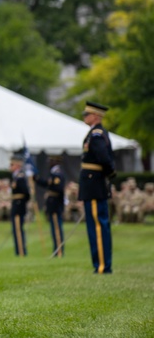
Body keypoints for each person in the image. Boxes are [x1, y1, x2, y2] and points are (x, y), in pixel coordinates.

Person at [79, 101, 115, 274]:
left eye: (87, 114)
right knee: (96, 226)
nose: (85, 117)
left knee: (98, 226)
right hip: (93, 184)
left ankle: (102, 265)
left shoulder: (97, 134)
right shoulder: (93, 133)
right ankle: (100, 263)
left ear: (96, 116)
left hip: (94, 183)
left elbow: (104, 158)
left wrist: (109, 174)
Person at [36, 163, 66, 257]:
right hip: (52, 205)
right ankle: (56, 250)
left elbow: (58, 188)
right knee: (54, 229)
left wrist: (50, 184)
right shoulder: (53, 174)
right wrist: (37, 179)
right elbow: (47, 183)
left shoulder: (57, 174)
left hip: (55, 205)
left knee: (57, 229)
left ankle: (59, 251)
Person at [9, 154, 29, 257]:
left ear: (17, 165)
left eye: (12, 165)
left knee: (18, 230)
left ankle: (21, 251)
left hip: (19, 206)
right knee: (16, 229)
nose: (10, 167)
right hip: (16, 205)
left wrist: (21, 203)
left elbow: (26, 193)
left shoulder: (20, 177)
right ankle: (19, 251)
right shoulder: (16, 177)